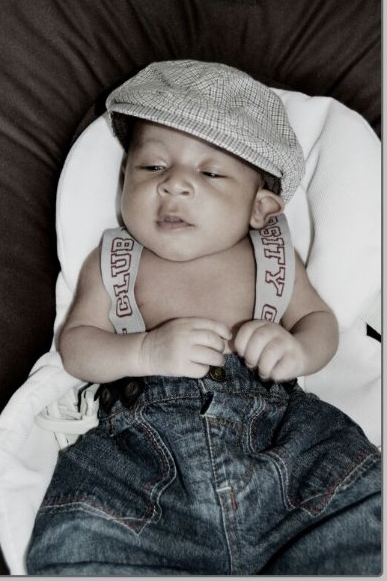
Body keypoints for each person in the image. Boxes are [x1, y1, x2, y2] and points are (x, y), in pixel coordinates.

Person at [26, 60, 381, 575]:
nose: (175, 185)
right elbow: (78, 346)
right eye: (152, 167)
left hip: (282, 437)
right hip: (144, 454)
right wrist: (143, 350)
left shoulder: (274, 256)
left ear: (260, 209)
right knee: (84, 538)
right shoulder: (115, 260)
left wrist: (298, 349)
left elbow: (320, 321)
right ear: (124, 180)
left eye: (210, 172)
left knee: (358, 514)